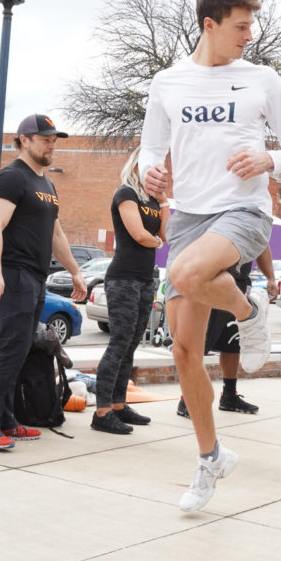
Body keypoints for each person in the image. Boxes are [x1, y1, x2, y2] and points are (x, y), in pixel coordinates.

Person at [139, 0, 281, 512]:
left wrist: (270, 161)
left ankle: (248, 307)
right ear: (209, 25)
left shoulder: (261, 78)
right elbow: (151, 148)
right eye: (240, 26)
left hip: (243, 212)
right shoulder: (168, 83)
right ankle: (210, 458)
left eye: (251, 26)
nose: (249, 35)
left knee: (188, 276)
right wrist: (150, 174)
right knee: (185, 351)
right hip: (188, 216)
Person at [0, 114, 87, 450]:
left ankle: (7, 421)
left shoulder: (46, 185)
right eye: (45, 139)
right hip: (12, 273)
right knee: (11, 350)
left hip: (36, 278)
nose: (52, 145)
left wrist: (76, 271)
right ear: (24, 139)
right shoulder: (11, 178)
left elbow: (56, 233)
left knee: (21, 350)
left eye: (54, 140)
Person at [91, 147, 167, 434]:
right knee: (119, 342)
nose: (159, 175)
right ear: (139, 167)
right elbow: (139, 234)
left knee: (133, 342)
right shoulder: (125, 194)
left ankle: (119, 405)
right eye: (154, 169)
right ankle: (101, 413)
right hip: (123, 278)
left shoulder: (154, 201)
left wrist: (165, 202)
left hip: (146, 279)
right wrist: (156, 241)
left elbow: (165, 236)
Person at [176, 248, 277, 419]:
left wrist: (271, 278)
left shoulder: (257, 221)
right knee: (200, 343)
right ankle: (187, 399)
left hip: (240, 282)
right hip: (213, 281)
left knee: (233, 342)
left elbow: (262, 245)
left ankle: (229, 396)